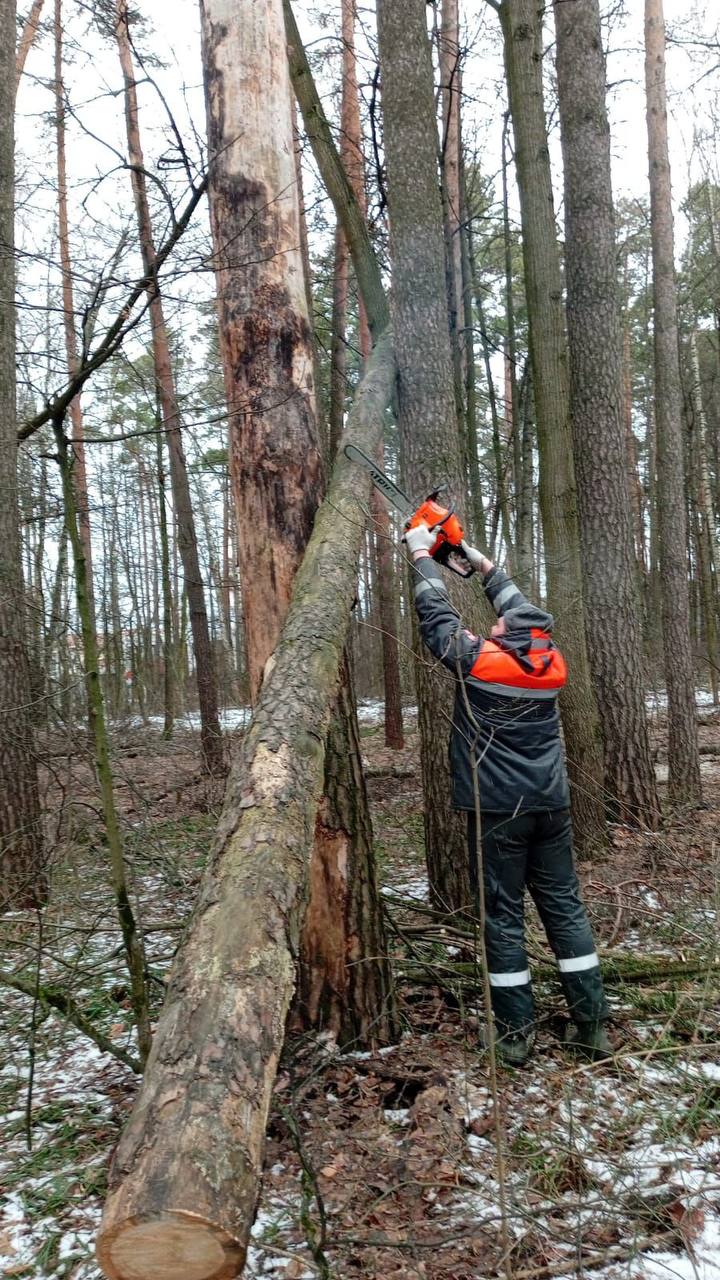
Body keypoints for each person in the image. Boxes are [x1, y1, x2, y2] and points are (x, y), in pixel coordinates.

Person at [404, 522, 612, 1066]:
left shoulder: (481, 662)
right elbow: (522, 613)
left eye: (498, 623)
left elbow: (437, 619)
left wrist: (424, 558)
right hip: (550, 804)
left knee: (502, 916)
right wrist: (484, 566)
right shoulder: (551, 662)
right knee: (564, 908)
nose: (494, 623)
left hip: (499, 810)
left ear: (506, 636)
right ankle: (592, 1024)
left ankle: (515, 1034)